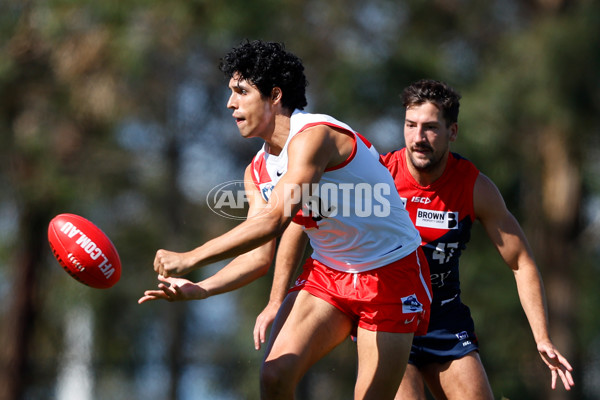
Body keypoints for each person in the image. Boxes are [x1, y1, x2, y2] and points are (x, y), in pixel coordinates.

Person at [138, 40, 432, 400]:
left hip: (391, 272)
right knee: (274, 376)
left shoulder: (314, 137)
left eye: (241, 92)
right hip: (329, 273)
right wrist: (202, 289)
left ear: (274, 95)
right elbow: (258, 257)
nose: (230, 104)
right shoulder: (257, 171)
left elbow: (275, 219)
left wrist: (190, 258)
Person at [253, 79, 575, 399]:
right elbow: (302, 223)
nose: (418, 138)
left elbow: (521, 262)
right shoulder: (378, 175)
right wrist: (274, 301)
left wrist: (542, 337)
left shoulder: (475, 188)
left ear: (453, 132)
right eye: (411, 125)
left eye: (431, 128)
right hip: (387, 314)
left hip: (444, 321)